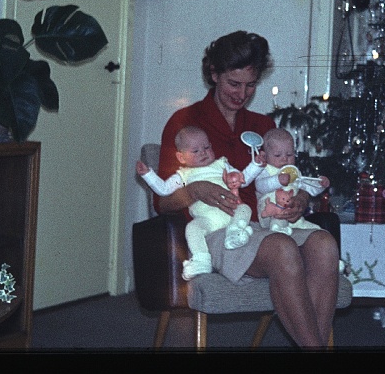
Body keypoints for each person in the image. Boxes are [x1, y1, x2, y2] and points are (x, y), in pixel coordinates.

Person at [155, 30, 339, 349]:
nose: (242, 94)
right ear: (214, 74)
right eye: (234, 84)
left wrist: (300, 197)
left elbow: (287, 176)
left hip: (266, 225)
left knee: (324, 243)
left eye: (250, 85)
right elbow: (163, 202)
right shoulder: (185, 123)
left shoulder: (262, 126)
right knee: (281, 247)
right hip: (220, 232)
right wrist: (196, 189)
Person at [136, 125, 265, 279]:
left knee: (244, 209)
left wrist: (256, 165)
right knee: (192, 228)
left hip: (232, 213)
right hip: (208, 221)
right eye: (195, 151)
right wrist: (148, 174)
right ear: (181, 157)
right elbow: (163, 189)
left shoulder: (221, 164)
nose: (203, 152)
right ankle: (202, 260)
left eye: (206, 147)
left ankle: (236, 231)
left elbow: (242, 179)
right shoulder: (183, 175)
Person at [255, 127, 330, 236]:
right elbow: (260, 186)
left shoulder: (293, 172)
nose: (284, 159)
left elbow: (307, 186)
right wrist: (278, 180)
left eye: (289, 155)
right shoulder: (266, 169)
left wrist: (320, 184)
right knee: (278, 220)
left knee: (319, 232)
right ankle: (278, 228)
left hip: (293, 218)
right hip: (270, 213)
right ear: (264, 156)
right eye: (277, 155)